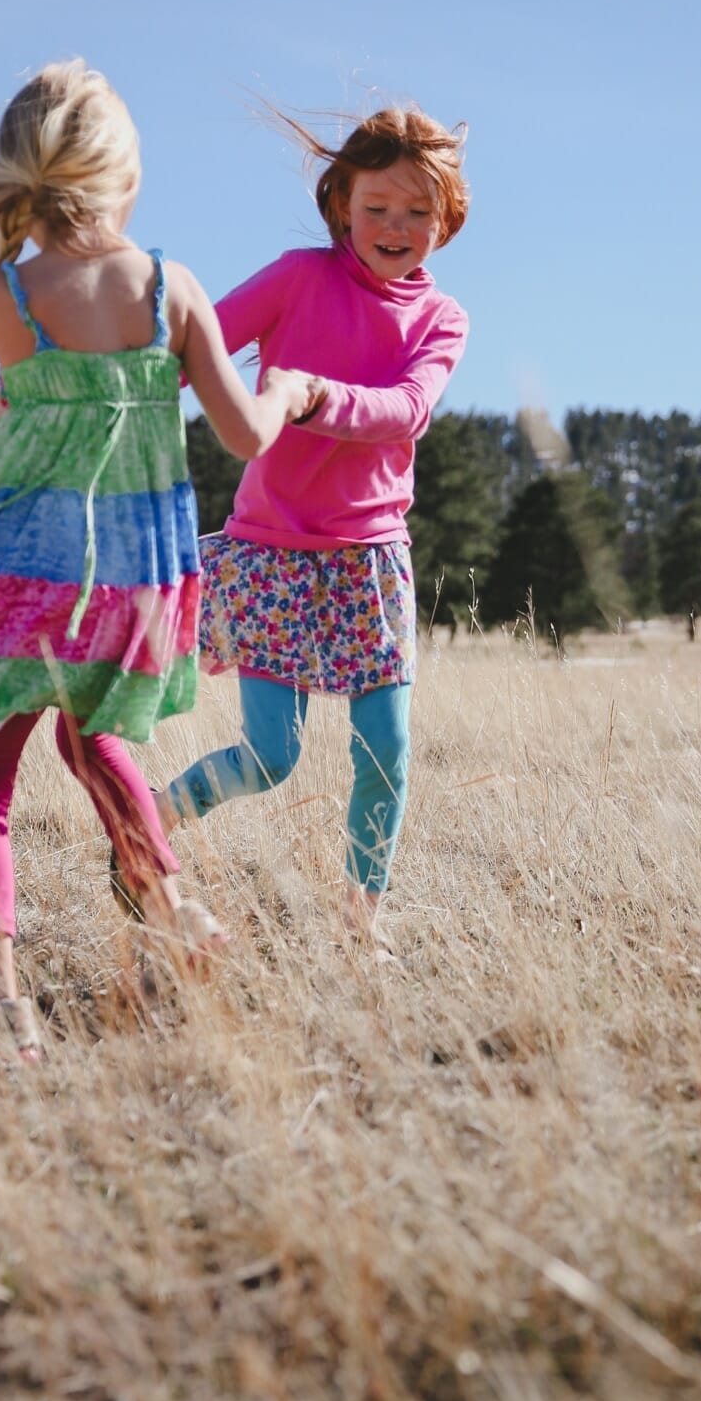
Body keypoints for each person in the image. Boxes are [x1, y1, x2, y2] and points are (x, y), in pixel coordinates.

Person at [0, 61, 316, 1063]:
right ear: (125, 178)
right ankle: (175, 911)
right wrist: (287, 387)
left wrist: (14, 404)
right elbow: (247, 437)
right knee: (96, 744)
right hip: (124, 586)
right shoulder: (170, 287)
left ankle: (0, 1005)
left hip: (8, 583)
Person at [155, 104, 470, 932]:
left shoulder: (442, 320)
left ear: (447, 217)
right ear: (340, 205)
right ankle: (150, 821)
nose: (396, 227)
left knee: (386, 754)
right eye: (377, 209)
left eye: (418, 213)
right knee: (270, 758)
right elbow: (200, 350)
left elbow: (405, 410)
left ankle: (361, 925)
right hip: (272, 555)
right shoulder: (299, 275)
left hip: (369, 561)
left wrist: (307, 392)